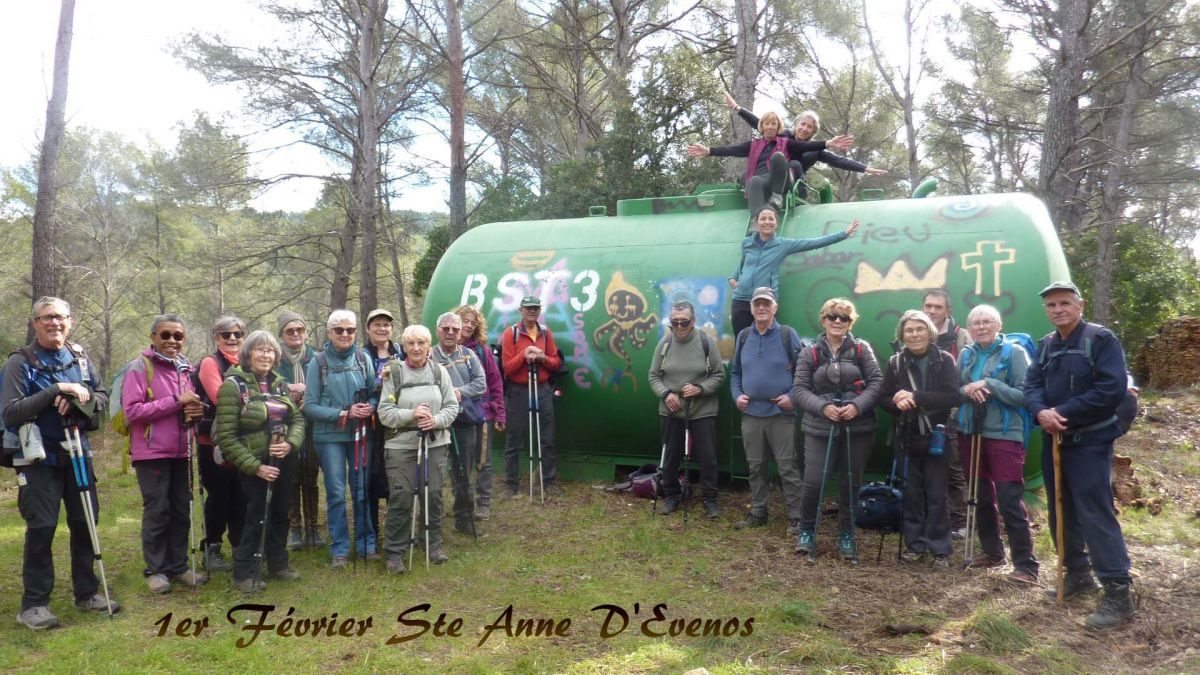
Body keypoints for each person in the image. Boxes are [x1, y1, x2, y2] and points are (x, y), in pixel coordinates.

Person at [2, 297, 120, 629]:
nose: (55, 323)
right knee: (41, 527)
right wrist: (55, 389)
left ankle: (87, 593)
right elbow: (10, 411)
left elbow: (101, 395)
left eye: (60, 317)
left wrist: (83, 400)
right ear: (34, 322)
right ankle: (34, 605)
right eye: (47, 317)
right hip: (37, 459)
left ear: (71, 321)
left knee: (86, 523)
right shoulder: (20, 362)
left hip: (78, 454)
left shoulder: (79, 358)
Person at [1025, 281, 1135, 630]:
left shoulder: (1101, 340)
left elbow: (1110, 388)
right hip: (1055, 439)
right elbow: (1031, 386)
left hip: (1090, 440)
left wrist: (1062, 413)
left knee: (1094, 514)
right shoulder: (1046, 346)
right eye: (1051, 305)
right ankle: (1077, 575)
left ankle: (1118, 593)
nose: (1058, 309)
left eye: (1064, 303)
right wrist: (1041, 412)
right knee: (1060, 512)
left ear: (1080, 305)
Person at [791, 297, 883, 561]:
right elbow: (799, 389)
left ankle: (846, 534)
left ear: (851, 322)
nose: (838, 321)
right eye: (833, 316)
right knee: (814, 482)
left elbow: (877, 382)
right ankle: (807, 531)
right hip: (820, 426)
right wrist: (822, 407)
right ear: (823, 320)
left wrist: (857, 406)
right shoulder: (810, 352)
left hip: (858, 427)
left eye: (844, 317)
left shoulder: (862, 349)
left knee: (850, 482)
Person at [215, 330, 306, 593]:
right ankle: (244, 572)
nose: (265, 355)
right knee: (255, 516)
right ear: (248, 354)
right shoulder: (233, 387)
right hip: (254, 462)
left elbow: (297, 420)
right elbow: (227, 437)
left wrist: (291, 444)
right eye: (260, 350)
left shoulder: (279, 384)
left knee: (279, 512)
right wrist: (256, 467)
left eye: (270, 351)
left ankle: (278, 564)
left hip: (282, 458)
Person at [122, 314, 208, 593]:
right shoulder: (139, 367)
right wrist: (175, 401)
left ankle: (178, 566)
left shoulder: (185, 369)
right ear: (153, 338)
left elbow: (187, 406)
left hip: (182, 451)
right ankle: (156, 570)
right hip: (151, 452)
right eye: (166, 335)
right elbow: (132, 411)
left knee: (181, 510)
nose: (172, 341)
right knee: (158, 510)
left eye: (178, 336)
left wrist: (194, 412)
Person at [956, 304, 1038, 584]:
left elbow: (1026, 395)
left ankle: (1026, 565)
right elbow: (955, 390)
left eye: (987, 321)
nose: (981, 326)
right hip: (970, 431)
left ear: (998, 325)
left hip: (1005, 434)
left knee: (1008, 498)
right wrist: (967, 389)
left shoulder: (1014, 353)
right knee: (979, 496)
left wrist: (989, 383)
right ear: (969, 328)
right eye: (975, 322)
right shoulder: (966, 354)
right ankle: (992, 552)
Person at [878, 310, 959, 568]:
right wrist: (895, 402)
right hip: (908, 435)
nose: (914, 335)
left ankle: (940, 550)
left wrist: (916, 396)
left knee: (937, 493)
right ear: (902, 335)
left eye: (919, 329)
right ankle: (915, 546)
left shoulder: (944, 360)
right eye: (909, 330)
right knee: (911, 493)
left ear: (930, 331)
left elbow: (952, 397)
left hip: (937, 434)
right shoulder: (895, 363)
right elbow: (883, 398)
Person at [377, 325, 459, 572]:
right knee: (401, 496)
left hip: (435, 442)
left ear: (428, 346)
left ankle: (432, 545)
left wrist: (435, 420)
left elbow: (451, 407)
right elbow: (385, 411)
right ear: (403, 346)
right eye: (410, 343)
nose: (416, 348)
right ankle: (394, 552)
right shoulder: (394, 374)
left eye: (421, 343)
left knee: (433, 495)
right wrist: (411, 415)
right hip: (400, 445)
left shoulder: (439, 372)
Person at [304, 310, 376, 568]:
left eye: (350, 330)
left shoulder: (362, 358)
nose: (345, 334)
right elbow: (309, 406)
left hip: (360, 435)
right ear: (329, 332)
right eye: (339, 330)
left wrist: (371, 407)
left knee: (360, 489)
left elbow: (374, 392)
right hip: (329, 437)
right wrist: (343, 413)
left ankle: (367, 544)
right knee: (335, 492)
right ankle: (340, 549)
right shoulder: (318, 362)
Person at [729, 287, 805, 532]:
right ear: (751, 308)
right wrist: (737, 395)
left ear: (775, 308)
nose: (761, 308)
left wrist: (792, 397)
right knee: (755, 466)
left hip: (780, 414)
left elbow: (804, 371)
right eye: (757, 304)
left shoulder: (786, 334)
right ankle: (759, 513)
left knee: (787, 467)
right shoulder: (743, 336)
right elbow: (735, 374)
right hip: (751, 414)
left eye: (766, 304)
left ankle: (796, 517)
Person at [686, 112, 853, 217]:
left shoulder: (786, 142)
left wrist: (828, 143)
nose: (770, 127)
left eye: (774, 124)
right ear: (762, 127)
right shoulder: (753, 144)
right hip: (763, 178)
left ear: (778, 128)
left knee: (781, 158)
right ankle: (758, 219)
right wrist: (709, 150)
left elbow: (808, 146)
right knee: (753, 180)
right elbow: (732, 149)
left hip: (782, 179)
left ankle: (777, 196)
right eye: (767, 124)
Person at [729, 207, 859, 337]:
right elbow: (743, 263)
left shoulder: (782, 245)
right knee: (742, 339)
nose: (767, 222)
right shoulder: (747, 243)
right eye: (763, 219)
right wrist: (733, 279)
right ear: (757, 223)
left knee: (766, 339)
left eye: (771, 218)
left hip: (765, 301)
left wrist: (844, 234)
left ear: (776, 223)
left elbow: (813, 243)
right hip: (741, 300)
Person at [647, 300, 724, 518]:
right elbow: (653, 376)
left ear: (693, 321)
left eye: (684, 322)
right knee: (671, 456)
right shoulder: (665, 344)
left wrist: (700, 388)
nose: (679, 327)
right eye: (674, 323)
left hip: (702, 409)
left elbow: (719, 375)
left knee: (707, 456)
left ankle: (710, 498)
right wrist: (665, 393)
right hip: (671, 409)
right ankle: (671, 495)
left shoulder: (706, 342)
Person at [723, 92, 888, 183]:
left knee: (794, 163)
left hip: (793, 184)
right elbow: (759, 123)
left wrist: (865, 169)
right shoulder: (783, 136)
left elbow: (838, 161)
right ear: (796, 125)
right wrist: (737, 107)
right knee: (744, 177)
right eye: (802, 124)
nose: (804, 128)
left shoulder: (816, 149)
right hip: (771, 177)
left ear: (813, 132)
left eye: (809, 127)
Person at [193, 315, 247, 574]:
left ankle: (239, 547)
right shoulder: (210, 363)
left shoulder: (247, 363)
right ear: (216, 338)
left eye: (238, 334)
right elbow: (220, 397)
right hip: (212, 441)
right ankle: (211, 548)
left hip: (244, 440)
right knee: (218, 496)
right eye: (227, 335)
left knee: (241, 495)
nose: (233, 339)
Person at [500, 296, 563, 499]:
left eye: (535, 308)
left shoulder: (546, 333)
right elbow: (507, 368)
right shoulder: (512, 333)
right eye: (528, 308)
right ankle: (511, 485)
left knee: (547, 437)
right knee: (514, 437)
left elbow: (555, 363)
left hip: (542, 388)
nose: (532, 311)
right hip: (518, 391)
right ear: (521, 310)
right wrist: (525, 354)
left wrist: (542, 357)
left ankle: (549, 482)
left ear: (539, 310)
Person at [431, 312, 487, 535]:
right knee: (433, 473)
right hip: (436, 423)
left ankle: (464, 519)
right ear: (438, 330)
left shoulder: (469, 356)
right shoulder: (428, 355)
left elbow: (481, 384)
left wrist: (458, 392)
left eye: (455, 329)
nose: (450, 333)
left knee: (463, 471)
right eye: (446, 329)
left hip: (464, 421)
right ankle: (430, 522)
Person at [922, 289, 971, 537]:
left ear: (947, 310)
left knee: (953, 466)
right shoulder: (917, 333)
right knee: (927, 464)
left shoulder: (961, 337)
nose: (932, 311)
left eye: (937, 307)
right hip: (922, 412)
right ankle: (931, 515)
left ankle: (960, 521)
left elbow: (970, 374)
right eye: (928, 306)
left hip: (951, 412)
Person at [276, 311, 322, 551]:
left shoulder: (316, 356)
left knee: (311, 474)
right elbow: (268, 383)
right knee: (291, 475)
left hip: (313, 423)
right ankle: (295, 528)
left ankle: (313, 526)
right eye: (290, 331)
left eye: (300, 330)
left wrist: (310, 396)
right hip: (285, 424)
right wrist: (287, 388)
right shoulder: (275, 357)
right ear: (282, 334)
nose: (295, 334)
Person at [455, 304, 505, 520]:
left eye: (472, 323)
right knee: (458, 463)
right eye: (465, 321)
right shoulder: (444, 349)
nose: (468, 325)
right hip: (456, 417)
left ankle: (483, 503)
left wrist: (500, 413)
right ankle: (462, 503)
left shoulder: (482, 351)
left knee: (483, 461)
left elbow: (496, 383)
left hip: (482, 415)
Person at [361, 309, 404, 547]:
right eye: (376, 324)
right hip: (370, 426)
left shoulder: (401, 352)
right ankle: (371, 532)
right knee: (371, 477)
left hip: (396, 424)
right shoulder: (361, 355)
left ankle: (396, 531)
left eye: (386, 325)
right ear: (368, 329)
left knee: (394, 477)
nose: (382, 329)